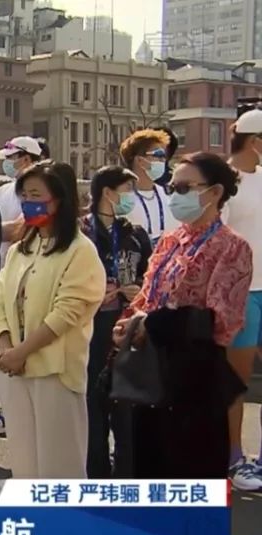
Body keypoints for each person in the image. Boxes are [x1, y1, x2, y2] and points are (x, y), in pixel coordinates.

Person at [113, 152, 252, 479]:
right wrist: (129, 321)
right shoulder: (171, 241)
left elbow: (221, 321)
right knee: (146, 473)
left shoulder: (232, 247)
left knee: (189, 475)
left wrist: (154, 323)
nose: (176, 195)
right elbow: (148, 294)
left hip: (196, 380)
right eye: (173, 187)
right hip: (150, 374)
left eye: (185, 187)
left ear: (215, 192)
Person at [0, 163, 105, 479]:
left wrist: (22, 352)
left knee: (59, 466)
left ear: (60, 199)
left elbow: (67, 312)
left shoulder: (80, 251)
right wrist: (7, 348)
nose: (28, 203)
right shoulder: (20, 249)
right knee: (24, 464)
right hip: (14, 371)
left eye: (36, 195)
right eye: (24, 196)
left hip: (55, 373)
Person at [79, 166, 153, 479]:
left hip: (126, 329)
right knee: (92, 407)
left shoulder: (134, 234)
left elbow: (152, 277)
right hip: (90, 329)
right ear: (107, 193)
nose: (130, 197)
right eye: (126, 191)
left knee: (127, 410)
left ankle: (127, 478)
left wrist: (138, 287)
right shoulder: (79, 233)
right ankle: (96, 475)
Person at [0, 136, 43, 436]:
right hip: (4, 275)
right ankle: (6, 411)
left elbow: (21, 230)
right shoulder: (2, 191)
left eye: (12, 157)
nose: (8, 163)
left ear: (27, 158)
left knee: (31, 346)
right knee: (5, 344)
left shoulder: (40, 190)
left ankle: (29, 412)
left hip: (33, 277)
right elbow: (0, 230)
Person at [223, 110, 262, 490]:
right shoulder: (225, 181)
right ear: (255, 141)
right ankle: (234, 457)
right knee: (236, 381)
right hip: (240, 294)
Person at [121, 129, 179, 245]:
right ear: (139, 160)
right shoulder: (122, 199)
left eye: (164, 156)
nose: (163, 161)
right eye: (159, 155)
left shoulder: (168, 196)